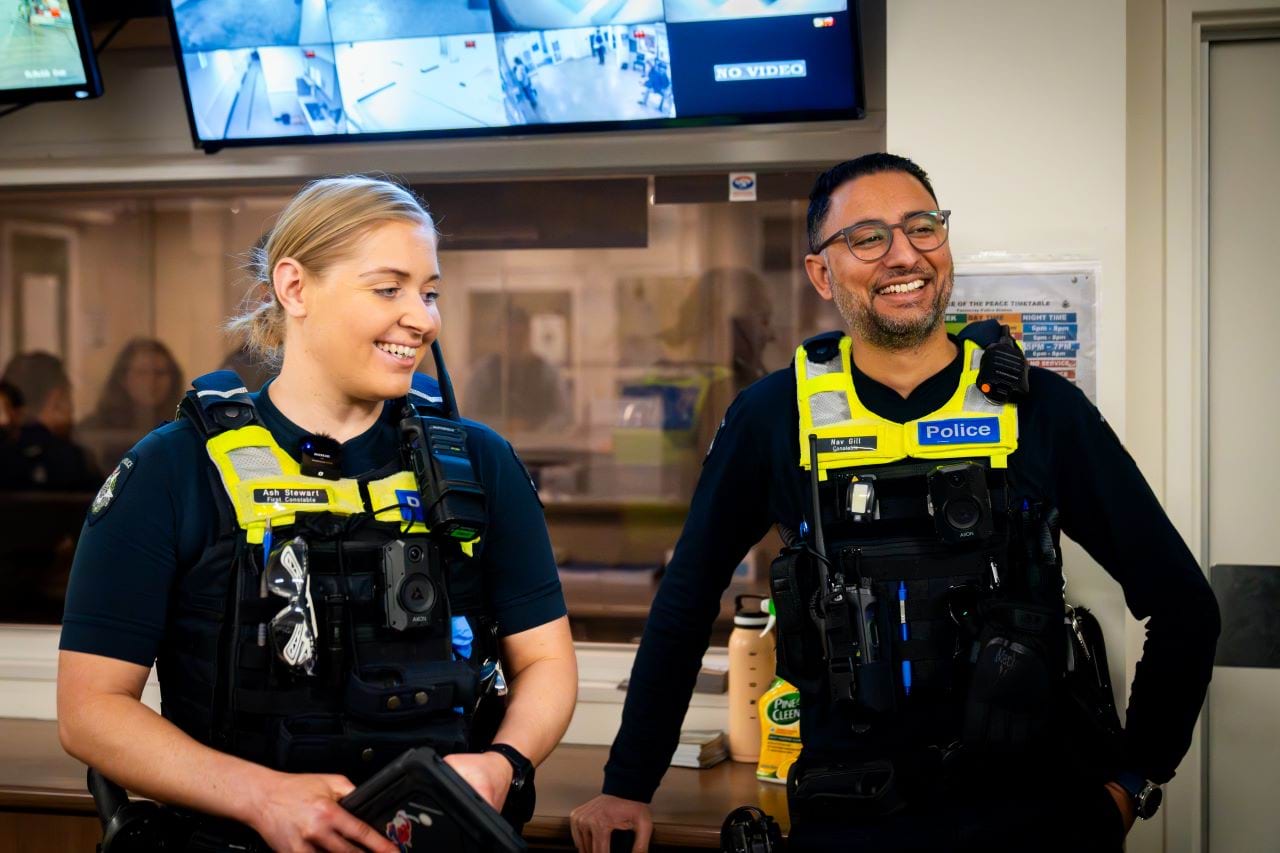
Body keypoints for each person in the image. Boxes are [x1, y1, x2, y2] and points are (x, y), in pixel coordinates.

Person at [570, 153, 1220, 852]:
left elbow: (1185, 605)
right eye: (868, 237)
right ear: (822, 272)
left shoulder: (1043, 411)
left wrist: (1133, 781)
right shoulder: (773, 418)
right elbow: (685, 602)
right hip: (852, 821)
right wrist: (628, 782)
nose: (904, 253)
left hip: (1035, 819)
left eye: (922, 227)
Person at [57, 176, 578, 852]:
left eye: (429, 291)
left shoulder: (480, 462)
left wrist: (504, 762)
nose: (423, 318)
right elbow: (89, 709)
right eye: (388, 289)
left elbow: (545, 661)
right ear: (294, 287)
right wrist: (261, 795)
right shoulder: (173, 469)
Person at [77, 337, 185, 471]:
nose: (151, 381)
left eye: (160, 373)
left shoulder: (184, 423)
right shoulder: (96, 427)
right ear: (123, 378)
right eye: (142, 373)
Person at [0, 351, 99, 490]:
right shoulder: (73, 462)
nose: (71, 410)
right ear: (56, 400)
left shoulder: (5, 458)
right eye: (68, 396)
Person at [465, 307, 570, 432]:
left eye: (520, 335)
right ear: (500, 334)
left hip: (538, 445)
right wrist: (502, 425)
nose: (515, 341)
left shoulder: (547, 372)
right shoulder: (484, 372)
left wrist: (533, 427)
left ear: (528, 334)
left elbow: (564, 416)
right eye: (510, 335)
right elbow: (469, 414)